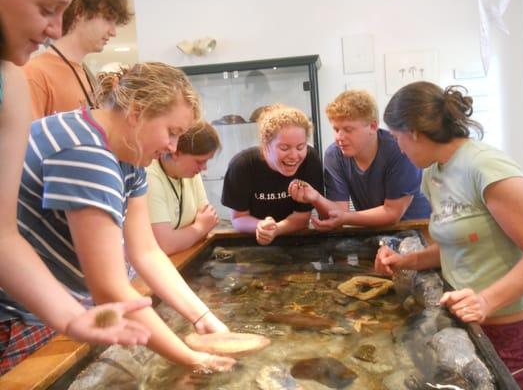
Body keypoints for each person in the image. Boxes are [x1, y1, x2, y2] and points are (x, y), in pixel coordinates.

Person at [0, 60, 236, 374]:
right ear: (136, 112)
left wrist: (203, 318)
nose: (172, 147)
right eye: (172, 132)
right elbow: (109, 288)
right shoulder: (85, 152)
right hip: (22, 317)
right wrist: (193, 359)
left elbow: (146, 251)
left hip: (62, 305)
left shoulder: (129, 155)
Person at [0, 0, 151, 375]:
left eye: (62, 12)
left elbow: (3, 233)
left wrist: (69, 315)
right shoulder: (34, 75)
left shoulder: (14, 79)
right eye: (48, 10)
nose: (53, 28)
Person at [374, 81, 523, 388]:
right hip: (465, 325)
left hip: (512, 329)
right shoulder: (433, 174)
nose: (398, 148)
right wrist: (404, 260)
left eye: (396, 138)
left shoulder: (485, 165)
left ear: (415, 132)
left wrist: (486, 301)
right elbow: (453, 245)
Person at [290, 90, 430, 231]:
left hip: (415, 229)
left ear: (373, 126)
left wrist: (346, 218)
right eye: (336, 129)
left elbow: (392, 213)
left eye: (348, 129)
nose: (339, 137)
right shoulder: (334, 155)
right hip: (371, 231)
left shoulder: (399, 149)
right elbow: (338, 211)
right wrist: (316, 198)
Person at [222, 104, 323, 245]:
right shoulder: (242, 165)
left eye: (300, 147)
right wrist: (260, 226)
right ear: (266, 144)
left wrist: (275, 229)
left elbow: (303, 216)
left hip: (297, 242)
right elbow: (238, 218)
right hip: (252, 242)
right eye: (284, 148)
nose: (294, 156)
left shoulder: (310, 160)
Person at [24, 0, 131, 119]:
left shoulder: (84, 73)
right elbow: (27, 137)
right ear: (79, 11)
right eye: (108, 19)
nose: (113, 32)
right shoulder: (34, 74)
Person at [147, 121, 220, 255]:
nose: (204, 168)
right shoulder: (150, 174)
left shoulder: (191, 173)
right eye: (199, 161)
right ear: (175, 152)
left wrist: (183, 235)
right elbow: (165, 245)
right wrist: (199, 227)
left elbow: (209, 220)